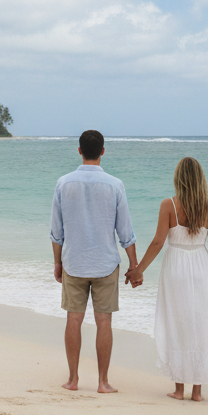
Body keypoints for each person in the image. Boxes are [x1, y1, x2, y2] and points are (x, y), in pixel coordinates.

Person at [128, 156, 208, 400]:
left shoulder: (169, 205)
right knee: (200, 324)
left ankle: (179, 389)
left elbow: (159, 241)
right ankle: (198, 392)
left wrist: (139, 269)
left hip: (175, 269)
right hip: (201, 268)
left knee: (177, 323)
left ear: (178, 178)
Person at [50, 129, 139, 393]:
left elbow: (57, 231)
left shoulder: (64, 183)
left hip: (74, 262)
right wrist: (134, 266)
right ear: (102, 151)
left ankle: (73, 380)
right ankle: (102, 382)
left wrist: (57, 263)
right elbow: (126, 232)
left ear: (79, 151)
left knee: (73, 319)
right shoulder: (115, 185)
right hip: (106, 265)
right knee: (104, 322)